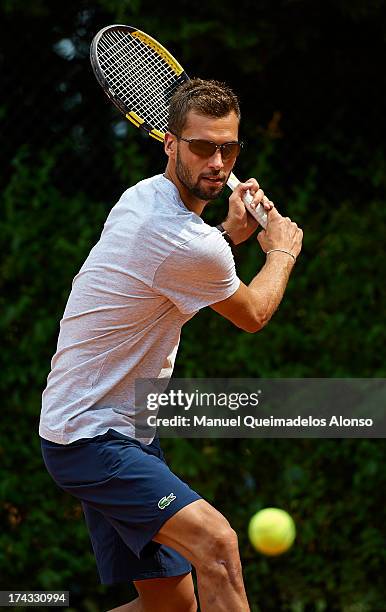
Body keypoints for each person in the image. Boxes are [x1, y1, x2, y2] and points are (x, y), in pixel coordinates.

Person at [39, 78, 303, 612]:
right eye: (202, 146)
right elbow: (252, 315)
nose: (218, 162)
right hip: (89, 435)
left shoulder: (143, 197)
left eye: (229, 148)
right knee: (220, 545)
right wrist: (281, 252)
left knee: (172, 608)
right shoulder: (186, 241)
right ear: (169, 142)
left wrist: (226, 237)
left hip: (114, 427)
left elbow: (178, 270)